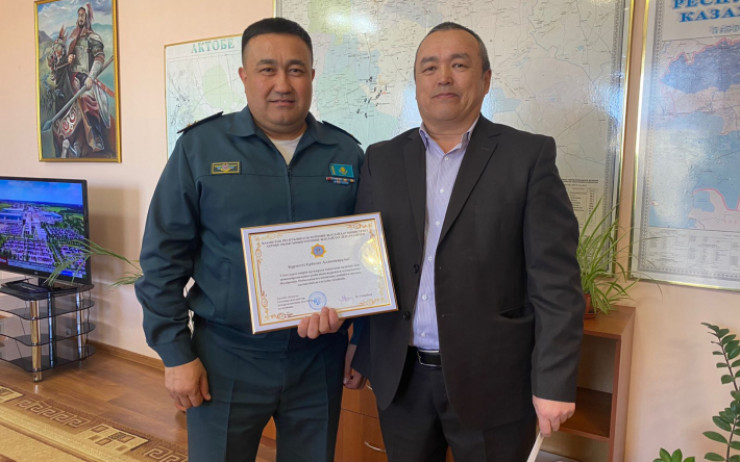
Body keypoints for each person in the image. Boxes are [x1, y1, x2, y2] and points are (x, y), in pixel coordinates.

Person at [347, 22, 585, 462]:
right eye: (429, 67)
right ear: (416, 82)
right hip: (401, 380)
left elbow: (556, 282)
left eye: (459, 65)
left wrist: (554, 382)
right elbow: (367, 264)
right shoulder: (381, 158)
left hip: (494, 383)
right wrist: (360, 349)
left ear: (485, 79)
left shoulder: (528, 157)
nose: (443, 77)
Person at [134, 17, 363, 462]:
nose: (282, 84)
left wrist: (361, 337)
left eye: (296, 70)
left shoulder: (346, 154)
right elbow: (162, 259)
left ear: (312, 76)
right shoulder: (200, 149)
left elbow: (367, 257)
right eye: (267, 69)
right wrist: (175, 354)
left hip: (319, 358)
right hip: (226, 357)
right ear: (243, 76)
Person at [47, 4, 111, 158]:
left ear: (87, 18)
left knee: (87, 97)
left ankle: (95, 136)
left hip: (84, 78)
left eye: (83, 15)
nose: (80, 18)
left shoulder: (93, 37)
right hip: (69, 75)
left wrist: (91, 77)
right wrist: (68, 58)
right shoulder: (72, 37)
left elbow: (99, 57)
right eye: (79, 15)